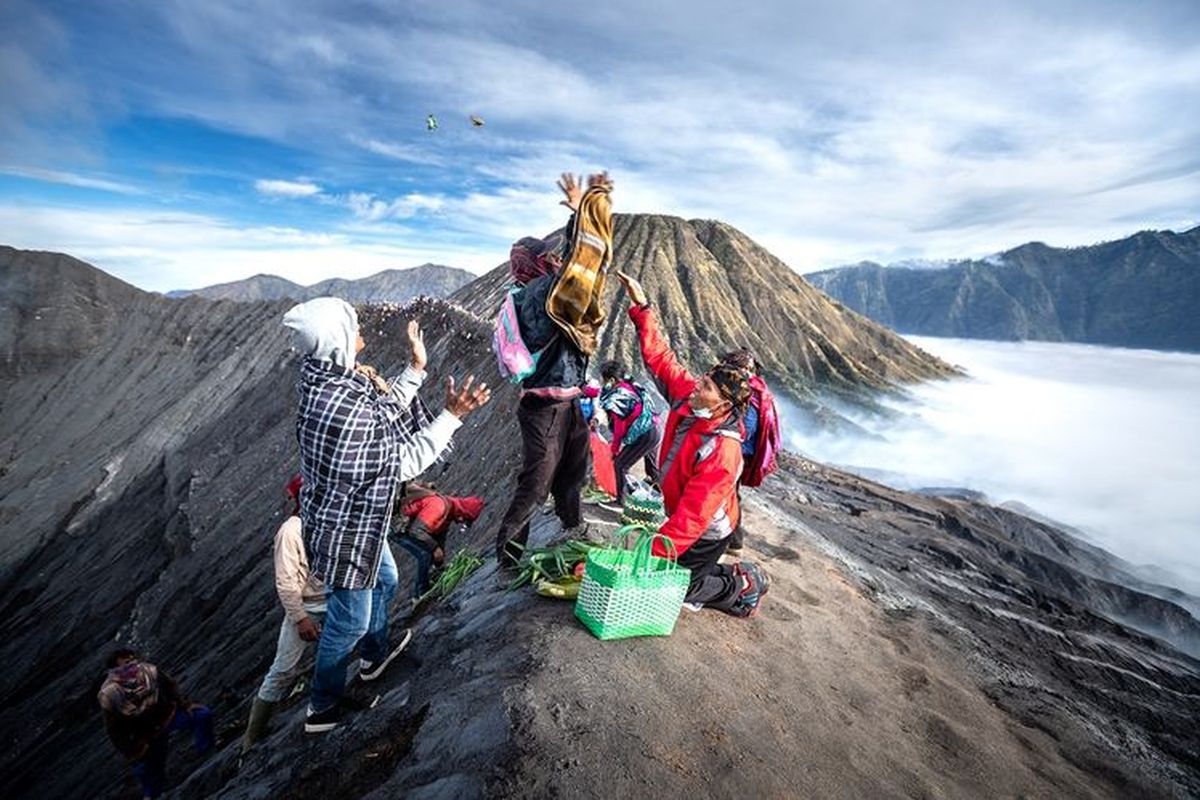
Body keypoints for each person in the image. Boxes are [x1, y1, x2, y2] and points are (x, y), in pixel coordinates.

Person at [282, 299, 490, 733]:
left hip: (356, 518)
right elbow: (402, 461)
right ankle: (322, 708)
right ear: (335, 340)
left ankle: (375, 660)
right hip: (347, 531)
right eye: (352, 327)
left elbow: (379, 411)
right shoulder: (338, 407)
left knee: (388, 580)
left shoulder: (330, 379)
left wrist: (416, 368)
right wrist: (452, 416)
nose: (362, 333)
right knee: (348, 620)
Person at [615, 271, 770, 617]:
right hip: (686, 520)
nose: (697, 388)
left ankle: (741, 587)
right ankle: (725, 573)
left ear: (725, 405)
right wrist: (642, 308)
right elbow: (661, 358)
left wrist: (646, 555)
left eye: (707, 389)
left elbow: (692, 520)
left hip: (708, 531)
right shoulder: (689, 398)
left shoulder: (723, 453)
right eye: (702, 382)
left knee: (678, 588)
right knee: (671, 571)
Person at [494, 173, 611, 567]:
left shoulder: (540, 293)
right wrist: (584, 213)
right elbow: (581, 268)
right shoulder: (538, 295)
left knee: (571, 474)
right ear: (533, 263)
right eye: (547, 256)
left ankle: (572, 529)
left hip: (568, 402)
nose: (554, 258)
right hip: (545, 409)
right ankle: (508, 560)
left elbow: (578, 273)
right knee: (536, 483)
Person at [241, 474, 328, 753]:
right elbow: (286, 581)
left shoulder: (329, 518)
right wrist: (300, 618)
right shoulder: (291, 531)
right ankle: (250, 742)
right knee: (282, 671)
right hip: (309, 606)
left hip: (339, 599)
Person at [98, 649, 213, 799]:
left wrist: (185, 704)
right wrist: (131, 750)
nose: (133, 664)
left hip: (167, 716)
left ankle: (206, 753)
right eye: (127, 663)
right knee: (151, 773)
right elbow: (113, 729)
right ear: (115, 669)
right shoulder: (110, 694)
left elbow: (170, 686)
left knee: (202, 715)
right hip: (145, 735)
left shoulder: (149, 672)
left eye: (133, 660)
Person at [583, 361, 662, 502]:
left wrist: (614, 450)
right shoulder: (629, 386)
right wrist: (581, 390)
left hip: (645, 435)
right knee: (652, 469)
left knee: (620, 465)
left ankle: (622, 501)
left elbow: (619, 429)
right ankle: (661, 498)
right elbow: (599, 392)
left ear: (612, 380)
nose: (602, 381)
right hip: (654, 429)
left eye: (604, 379)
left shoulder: (618, 398)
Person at [393, 483, 485, 598]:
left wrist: (439, 564)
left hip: (409, 529)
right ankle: (420, 593)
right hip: (397, 528)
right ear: (462, 512)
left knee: (431, 553)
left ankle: (430, 582)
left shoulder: (448, 514)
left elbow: (440, 538)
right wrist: (435, 548)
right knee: (425, 555)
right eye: (464, 519)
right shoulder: (438, 506)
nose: (461, 522)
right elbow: (416, 531)